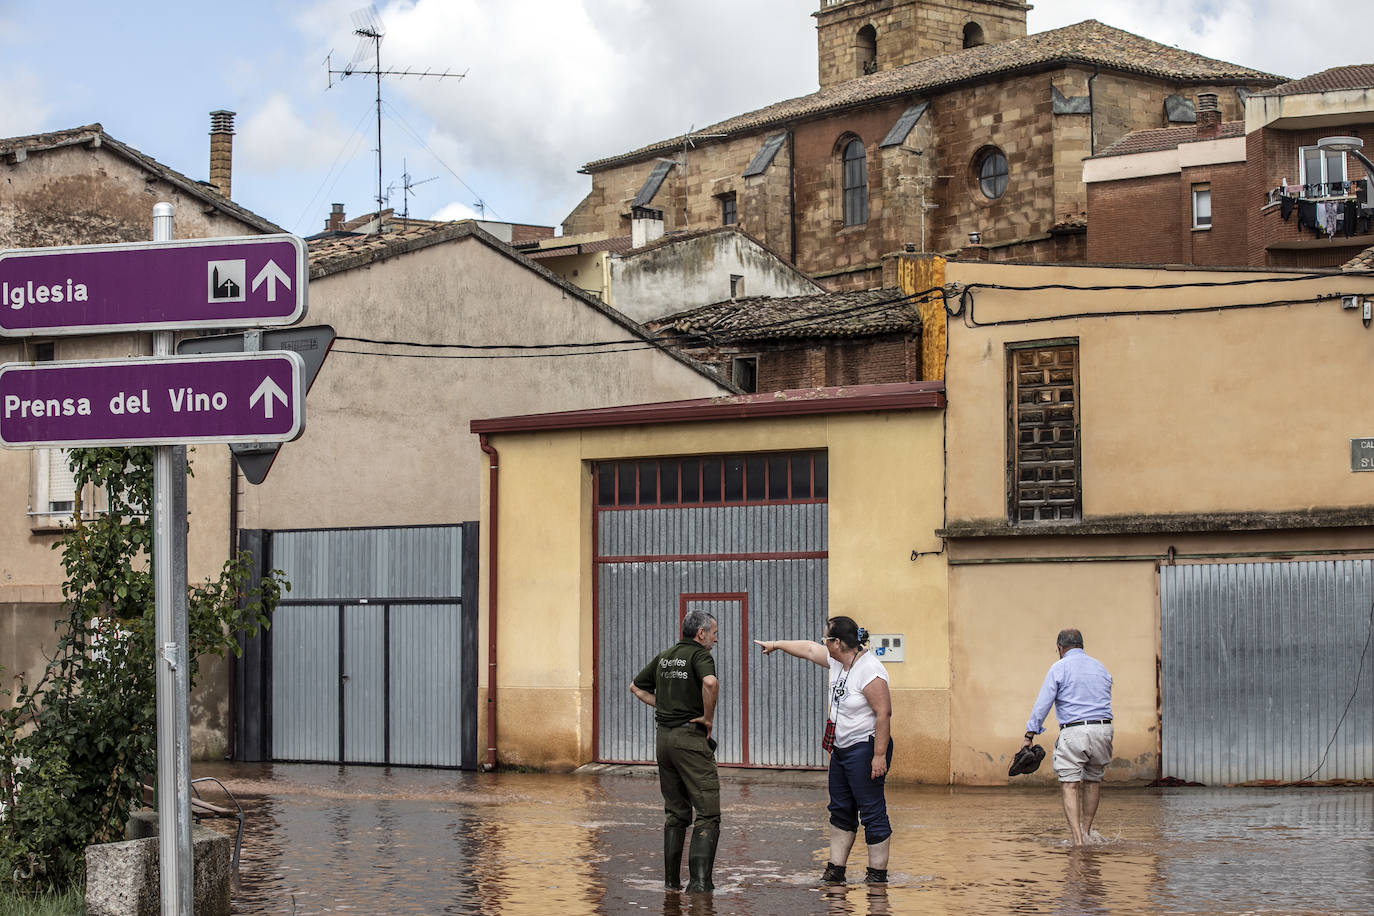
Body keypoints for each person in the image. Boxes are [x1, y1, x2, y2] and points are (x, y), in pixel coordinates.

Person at [755, 616, 893, 885]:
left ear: (837, 642)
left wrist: (878, 756)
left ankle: (877, 877)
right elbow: (807, 649)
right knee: (840, 809)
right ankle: (835, 870)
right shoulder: (838, 662)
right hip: (841, 749)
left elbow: (884, 713)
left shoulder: (870, 670)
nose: (822, 643)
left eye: (825, 639)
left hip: (865, 748)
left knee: (871, 811)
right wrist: (776, 644)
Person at [630, 609, 721, 893]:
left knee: (676, 812)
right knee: (707, 813)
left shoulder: (666, 656)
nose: (716, 640)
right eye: (714, 634)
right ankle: (700, 885)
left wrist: (666, 706)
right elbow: (710, 682)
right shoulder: (700, 655)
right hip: (689, 740)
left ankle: (671, 884)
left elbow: (635, 687)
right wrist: (707, 718)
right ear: (701, 633)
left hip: (664, 741)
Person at [1022, 628, 1114, 846]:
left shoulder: (1059, 667)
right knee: (1093, 781)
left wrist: (1029, 734)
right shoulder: (1100, 667)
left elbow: (1043, 704)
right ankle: (1087, 831)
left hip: (1075, 731)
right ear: (1082, 646)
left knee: (1070, 785)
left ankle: (1078, 841)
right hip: (1104, 730)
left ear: (1060, 648)